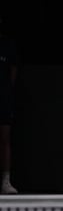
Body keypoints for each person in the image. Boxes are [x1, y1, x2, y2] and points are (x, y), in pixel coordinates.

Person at [0, 14, 18, 194]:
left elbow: (12, 76)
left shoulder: (8, 46)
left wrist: (6, 94)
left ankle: (5, 182)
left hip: (3, 99)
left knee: (4, 139)